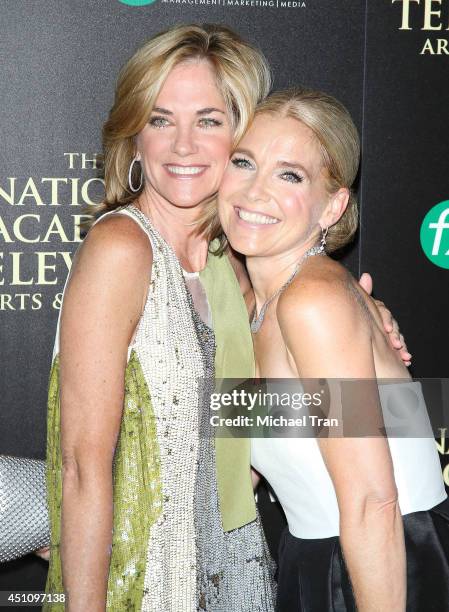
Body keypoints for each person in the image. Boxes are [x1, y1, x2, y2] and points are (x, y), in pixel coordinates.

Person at [41, 23, 409, 610]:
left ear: (241, 134)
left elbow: (265, 430)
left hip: (239, 568)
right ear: (134, 137)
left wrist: (365, 324)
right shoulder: (122, 250)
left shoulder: (238, 264)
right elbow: (84, 469)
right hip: (150, 575)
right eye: (160, 119)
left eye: (208, 121)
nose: (181, 145)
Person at [217, 88, 449, 611]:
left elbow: (372, 500)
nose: (255, 191)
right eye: (244, 162)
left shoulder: (313, 301)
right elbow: (242, 469)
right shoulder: (254, 305)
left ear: (334, 205)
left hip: (383, 565)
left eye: (290, 175)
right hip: (316, 560)